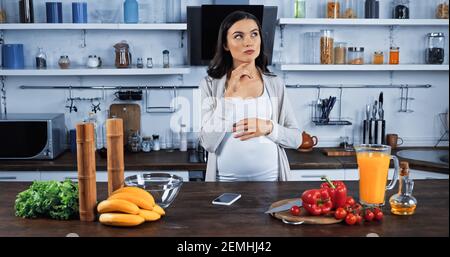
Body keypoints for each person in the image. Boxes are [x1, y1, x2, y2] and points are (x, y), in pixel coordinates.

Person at [199, 11, 301, 182]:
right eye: (238, 36)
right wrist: (229, 99)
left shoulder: (275, 84)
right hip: (223, 185)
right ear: (225, 44)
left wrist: (268, 127)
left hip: (272, 183)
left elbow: (296, 139)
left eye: (254, 34)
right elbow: (208, 142)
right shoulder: (209, 84)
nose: (248, 42)